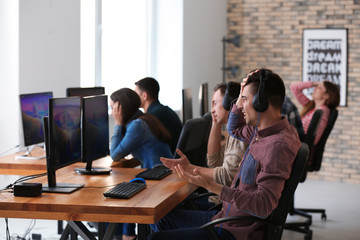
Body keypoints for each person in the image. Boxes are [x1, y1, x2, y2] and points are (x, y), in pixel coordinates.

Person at [149, 68, 301, 240]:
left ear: (261, 102)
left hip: (234, 231)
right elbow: (234, 127)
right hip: (225, 217)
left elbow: (264, 204)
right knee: (162, 218)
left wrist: (212, 186)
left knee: (155, 238)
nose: (239, 105)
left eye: (244, 99)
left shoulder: (276, 145)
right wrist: (244, 89)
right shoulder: (262, 132)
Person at [109, 88, 173, 240]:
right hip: (164, 175)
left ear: (121, 108)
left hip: (158, 179)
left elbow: (115, 155)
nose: (112, 113)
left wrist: (117, 124)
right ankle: (128, 235)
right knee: (128, 187)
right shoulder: (145, 119)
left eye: (113, 108)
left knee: (125, 194)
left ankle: (127, 236)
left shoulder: (137, 125)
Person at [135, 77, 183, 153]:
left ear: (144, 96)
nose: (134, 97)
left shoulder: (152, 116)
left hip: (167, 160)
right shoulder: (164, 110)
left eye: (136, 94)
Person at [290, 80, 340, 145]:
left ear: (326, 96)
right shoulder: (310, 106)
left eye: (319, 87)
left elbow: (312, 139)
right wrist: (314, 83)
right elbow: (294, 87)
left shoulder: (322, 111)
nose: (314, 88)